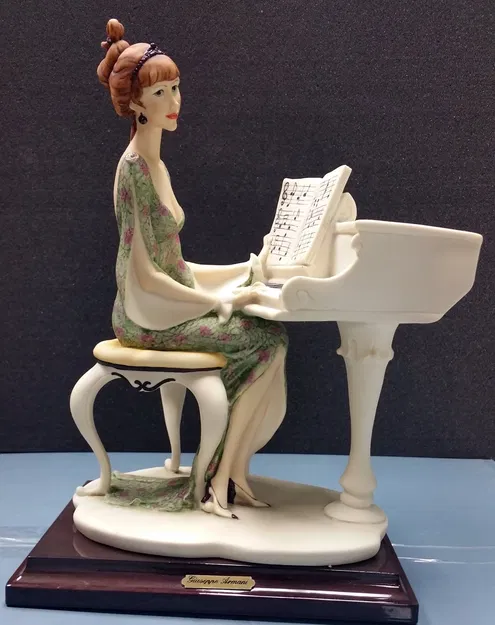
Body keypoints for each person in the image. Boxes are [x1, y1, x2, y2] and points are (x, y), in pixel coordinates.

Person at [97, 19, 288, 519]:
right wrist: (218, 299)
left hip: (166, 300)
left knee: (271, 338)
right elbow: (144, 276)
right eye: (160, 92)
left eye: (176, 88)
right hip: (142, 316)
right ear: (136, 104)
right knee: (264, 342)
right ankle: (213, 481)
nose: (174, 101)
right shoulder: (133, 171)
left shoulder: (157, 165)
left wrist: (243, 270)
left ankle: (229, 473)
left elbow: (176, 265)